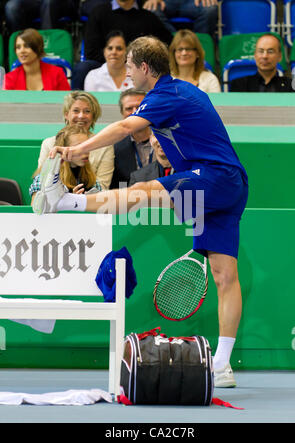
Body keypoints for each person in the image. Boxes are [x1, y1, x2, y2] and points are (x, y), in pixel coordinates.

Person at [32, 36, 249, 388]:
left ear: (144, 67)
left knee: (143, 192)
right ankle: (222, 365)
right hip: (229, 183)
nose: (127, 72)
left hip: (215, 177)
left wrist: (79, 149)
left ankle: (66, 202)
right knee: (225, 275)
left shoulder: (166, 94)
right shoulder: (181, 91)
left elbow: (124, 127)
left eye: (130, 65)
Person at [72, 0, 173, 89]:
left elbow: (167, 43)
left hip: (139, 66)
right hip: (105, 62)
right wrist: (117, 59)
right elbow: (91, 51)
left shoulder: (148, 18)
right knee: (82, 68)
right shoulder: (98, 13)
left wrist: (133, 63)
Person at [38, 91, 114, 190]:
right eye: (76, 111)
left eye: (87, 111)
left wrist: (80, 199)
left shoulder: (104, 146)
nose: (81, 116)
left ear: (93, 116)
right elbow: (42, 183)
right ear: (66, 114)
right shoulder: (49, 143)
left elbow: (103, 187)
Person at [30, 125, 102, 201]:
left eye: (87, 147)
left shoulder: (90, 178)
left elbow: (101, 208)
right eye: (79, 147)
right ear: (64, 149)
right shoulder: (46, 177)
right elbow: (36, 209)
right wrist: (71, 203)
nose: (86, 151)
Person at [109, 88, 154, 189]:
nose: (135, 112)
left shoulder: (166, 141)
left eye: (139, 107)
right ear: (122, 113)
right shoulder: (115, 148)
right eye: (129, 108)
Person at [4, 28, 70, 91]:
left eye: (26, 46)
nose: (22, 51)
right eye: (18, 47)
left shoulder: (57, 74)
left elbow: (67, 101)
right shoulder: (10, 79)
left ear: (38, 48)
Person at [230, 33, 295, 93]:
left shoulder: (292, 86)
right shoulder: (239, 85)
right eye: (261, 51)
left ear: (280, 56)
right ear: (255, 55)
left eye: (270, 51)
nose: (265, 56)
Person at [169, 29, 220, 93]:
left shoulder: (210, 79)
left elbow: (216, 103)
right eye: (180, 49)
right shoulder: (166, 80)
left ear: (197, 53)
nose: (184, 53)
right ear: (174, 53)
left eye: (188, 49)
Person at [143, 0, 218, 36]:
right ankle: (175, 43)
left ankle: (199, 46)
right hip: (165, 2)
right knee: (151, 10)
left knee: (210, 9)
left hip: (193, 2)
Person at [4, 0, 78, 32]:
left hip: (61, 3)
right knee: (12, 7)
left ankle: (47, 47)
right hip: (35, 2)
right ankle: (22, 44)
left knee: (48, 2)